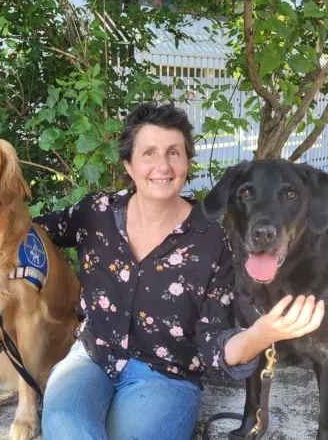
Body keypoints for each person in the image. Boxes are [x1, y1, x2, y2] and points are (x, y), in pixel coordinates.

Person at [35, 103, 324, 440]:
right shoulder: (95, 214)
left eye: (174, 152)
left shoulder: (211, 240)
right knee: (66, 428)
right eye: (149, 153)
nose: (162, 165)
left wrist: (260, 335)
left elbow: (214, 340)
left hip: (165, 377)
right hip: (90, 359)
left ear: (187, 162)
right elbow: (25, 234)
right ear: (129, 164)